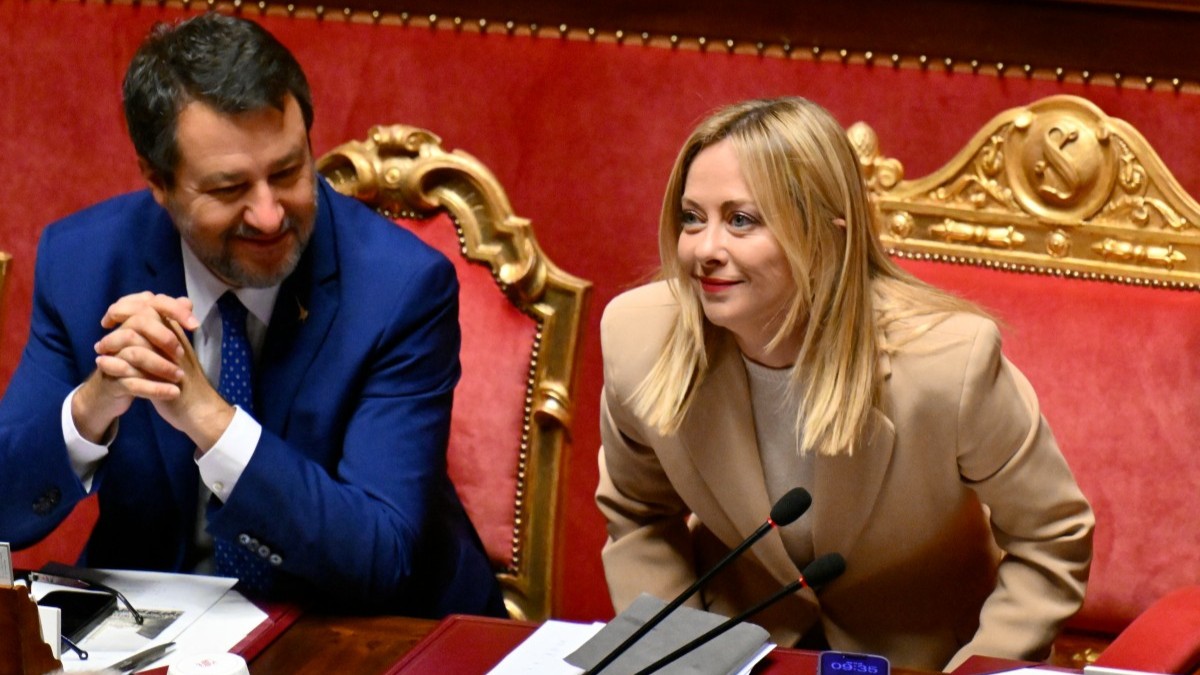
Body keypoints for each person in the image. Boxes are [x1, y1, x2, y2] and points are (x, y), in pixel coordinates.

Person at [0, 12, 504, 618]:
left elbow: (379, 555)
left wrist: (210, 420)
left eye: (289, 172)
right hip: (153, 630)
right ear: (159, 183)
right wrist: (92, 408)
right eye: (229, 188)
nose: (269, 216)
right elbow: (6, 509)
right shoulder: (84, 264)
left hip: (360, 628)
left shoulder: (399, 288)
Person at [595, 97, 1094, 671]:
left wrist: (979, 668)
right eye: (691, 217)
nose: (705, 250)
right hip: (737, 653)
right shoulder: (639, 337)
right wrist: (683, 658)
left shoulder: (948, 363)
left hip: (922, 662)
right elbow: (637, 515)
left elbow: (1051, 536)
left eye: (741, 219)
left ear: (827, 237)